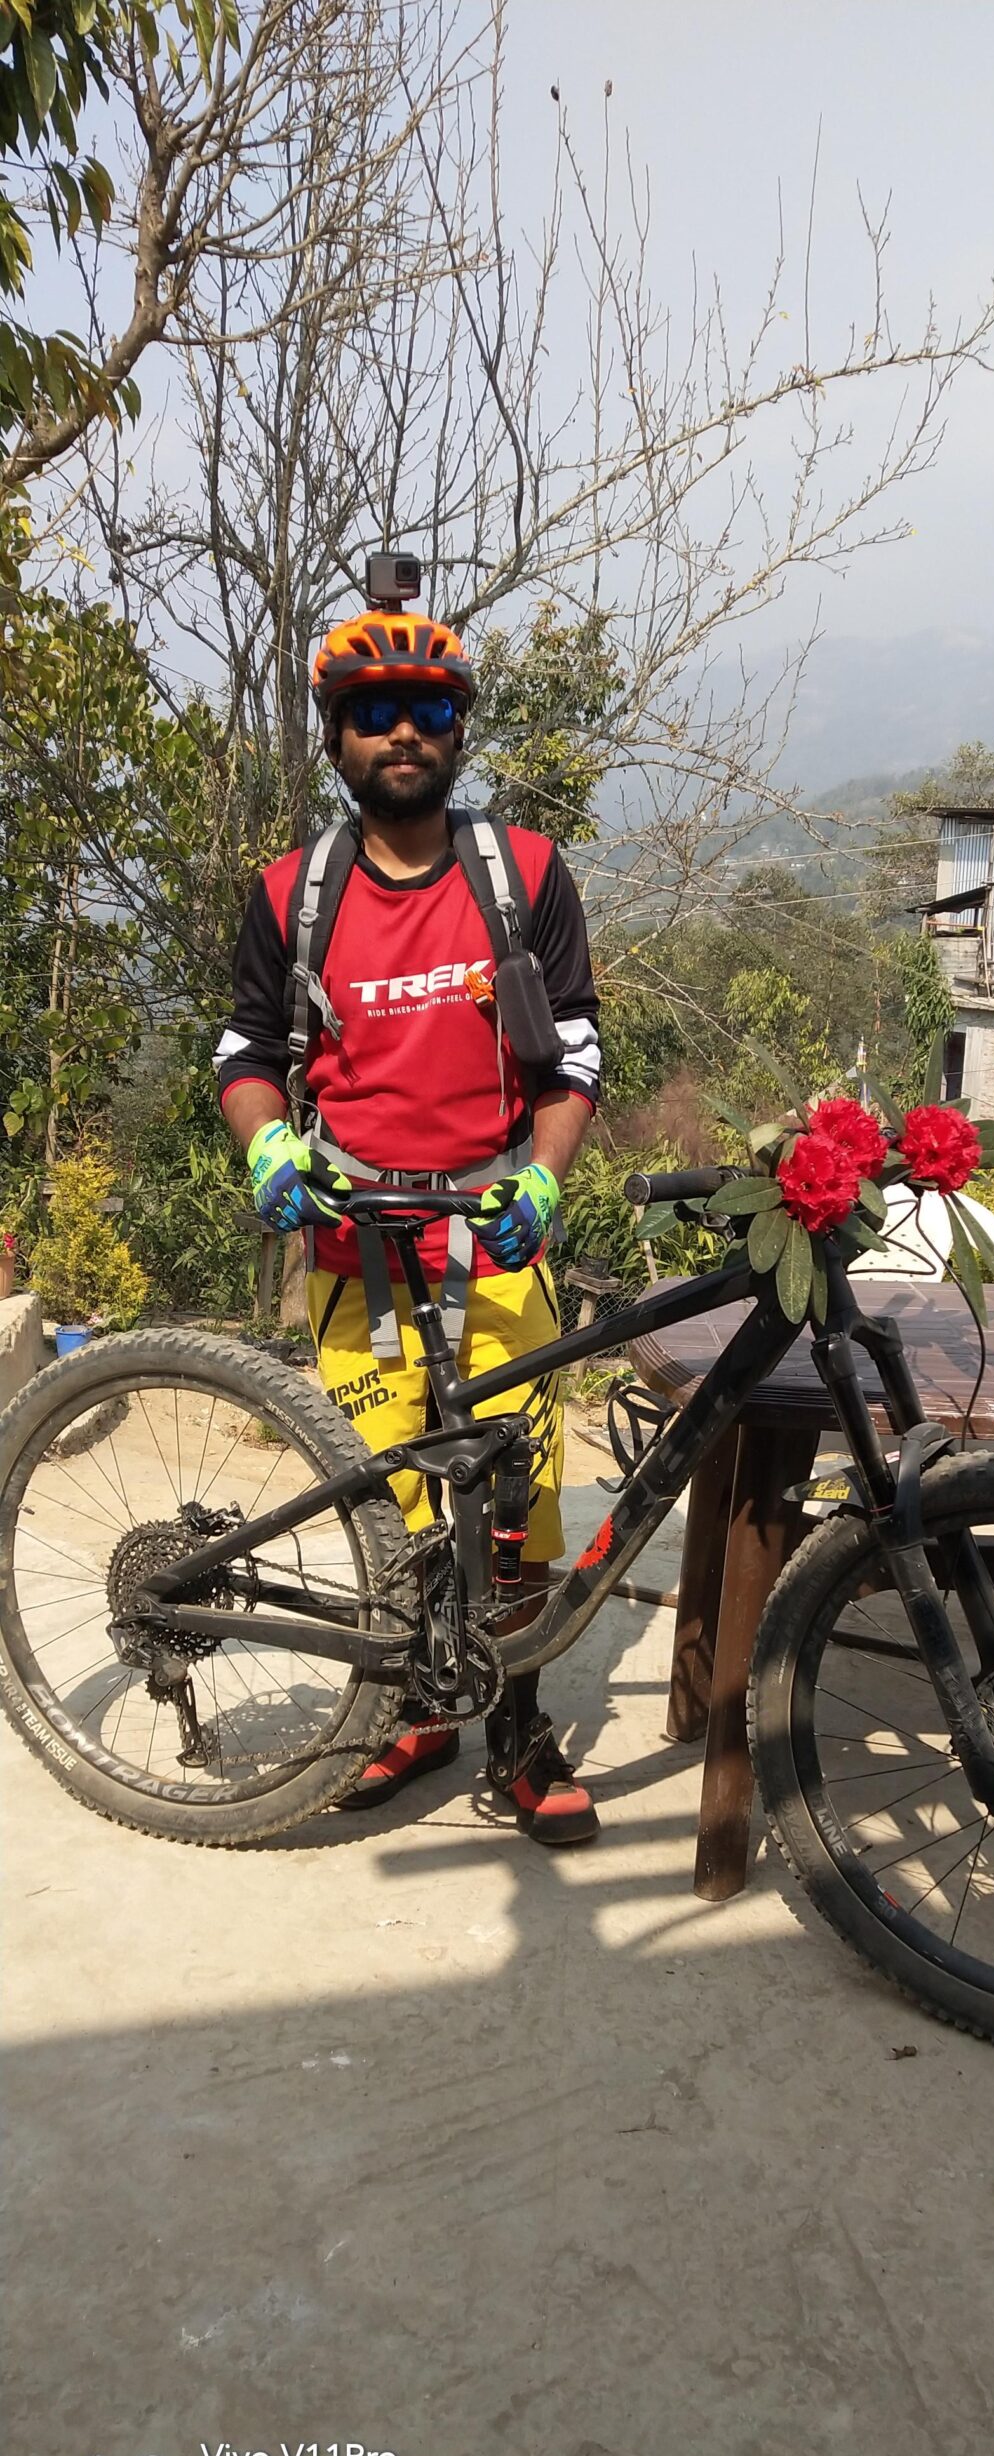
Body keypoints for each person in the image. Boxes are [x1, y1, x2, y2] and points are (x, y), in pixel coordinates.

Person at [214, 601, 601, 1844]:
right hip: (354, 1254)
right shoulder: (293, 894)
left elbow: (575, 1052)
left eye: (426, 708)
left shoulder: (522, 874)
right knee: (391, 1515)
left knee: (519, 1512)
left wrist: (544, 1179)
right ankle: (417, 1713)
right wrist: (269, 1144)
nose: (401, 732)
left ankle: (518, 1729)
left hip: (496, 1246)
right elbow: (244, 1052)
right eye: (372, 711)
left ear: (457, 730)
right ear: (335, 738)